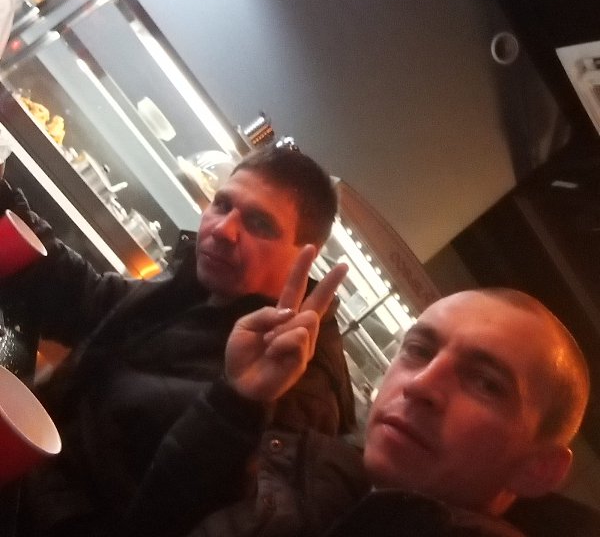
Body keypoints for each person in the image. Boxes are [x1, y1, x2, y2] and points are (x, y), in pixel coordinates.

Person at [0, 145, 356, 536]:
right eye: (222, 205)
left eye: (259, 224)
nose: (223, 229)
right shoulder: (200, 286)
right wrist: (5, 203)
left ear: (305, 256)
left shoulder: (296, 393)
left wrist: (237, 404)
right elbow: (89, 300)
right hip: (22, 488)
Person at [162, 287, 599, 537]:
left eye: (486, 383)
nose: (420, 385)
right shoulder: (314, 477)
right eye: (420, 350)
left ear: (538, 470)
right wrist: (236, 402)